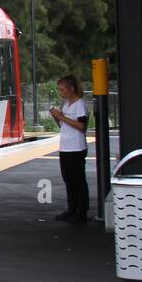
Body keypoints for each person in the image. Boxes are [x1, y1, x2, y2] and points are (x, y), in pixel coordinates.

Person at [49, 75, 90, 223]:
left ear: (71, 89)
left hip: (76, 147)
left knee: (78, 180)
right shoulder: (66, 105)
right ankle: (71, 209)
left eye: (62, 89)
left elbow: (81, 126)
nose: (61, 92)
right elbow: (64, 126)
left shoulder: (80, 105)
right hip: (65, 147)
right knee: (68, 180)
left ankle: (82, 211)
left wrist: (62, 116)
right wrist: (57, 117)